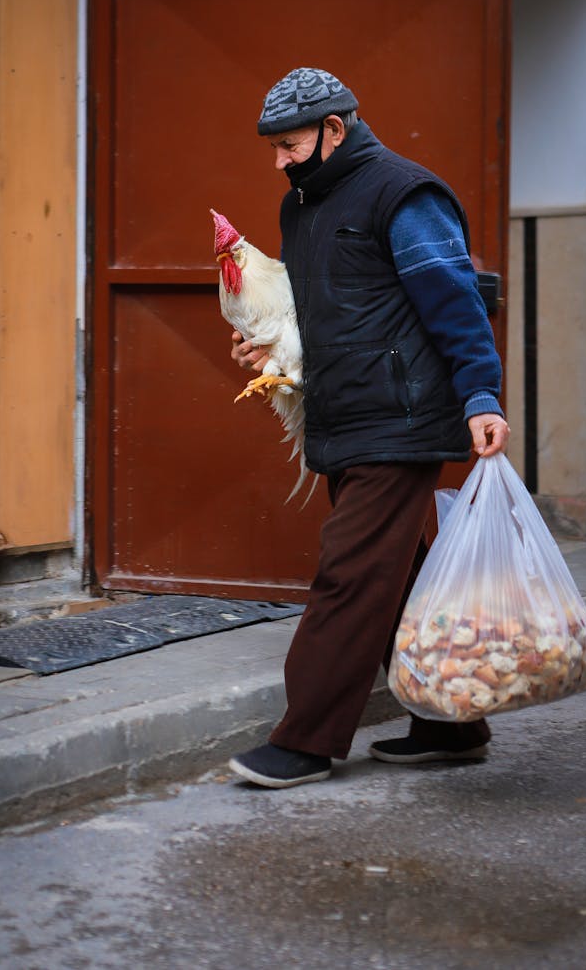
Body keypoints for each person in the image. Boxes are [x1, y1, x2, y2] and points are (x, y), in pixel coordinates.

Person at [228, 66, 510, 789]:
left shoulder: (402, 192)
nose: (279, 161)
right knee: (403, 582)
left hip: (402, 419)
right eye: (274, 150)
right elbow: (318, 311)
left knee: (350, 575)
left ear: (334, 128)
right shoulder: (303, 205)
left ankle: (306, 741)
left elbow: (455, 298)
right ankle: (452, 724)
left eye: (289, 146)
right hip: (344, 413)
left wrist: (482, 394)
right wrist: (269, 346)